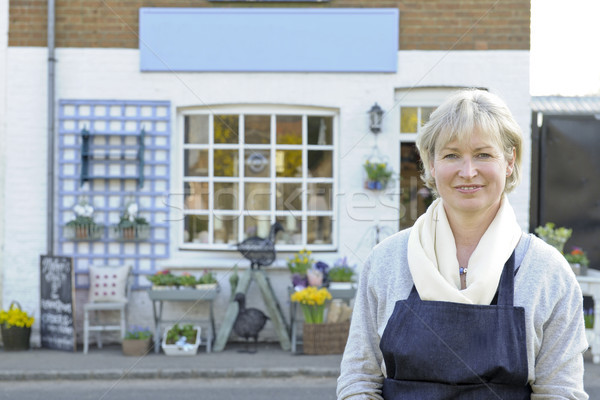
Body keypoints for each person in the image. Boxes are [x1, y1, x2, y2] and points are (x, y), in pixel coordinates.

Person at [337, 89, 588, 399]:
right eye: (451, 155)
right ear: (431, 164)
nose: (467, 172)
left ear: (509, 161)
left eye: (483, 154)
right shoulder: (386, 260)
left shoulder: (547, 272)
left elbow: (559, 392)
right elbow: (359, 379)